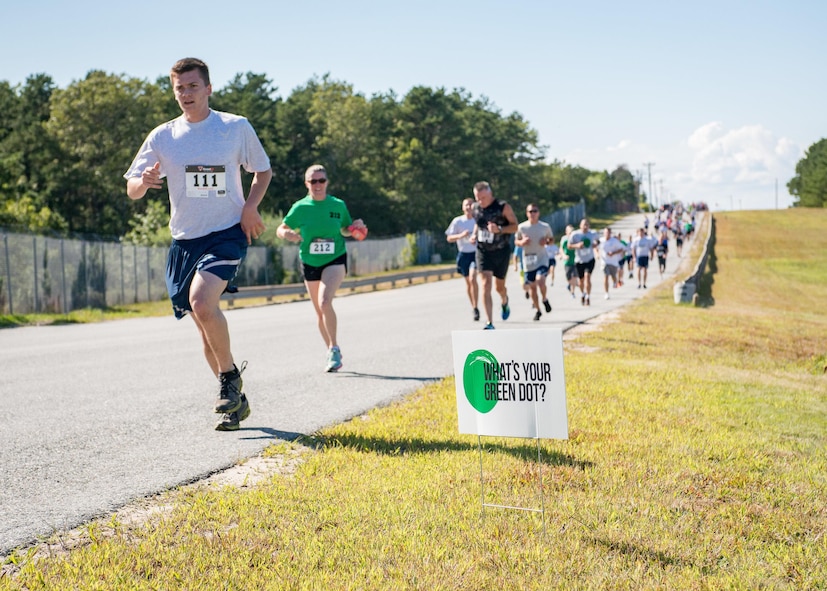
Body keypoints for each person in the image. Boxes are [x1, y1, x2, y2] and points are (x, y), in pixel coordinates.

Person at [124, 57, 272, 432]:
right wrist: (145, 180)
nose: (186, 94)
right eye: (179, 88)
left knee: (202, 303)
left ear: (208, 88)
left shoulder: (234, 128)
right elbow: (133, 190)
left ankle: (228, 382)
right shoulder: (163, 136)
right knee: (204, 327)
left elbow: (262, 170)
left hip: (225, 232)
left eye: (192, 86)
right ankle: (234, 399)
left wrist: (250, 207)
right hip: (184, 241)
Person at [277, 165, 367, 372]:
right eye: (313, 181)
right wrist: (287, 234)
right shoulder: (300, 207)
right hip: (309, 261)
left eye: (321, 181)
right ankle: (330, 350)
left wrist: (356, 226)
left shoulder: (337, 205)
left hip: (335, 259)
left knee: (325, 301)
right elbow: (281, 228)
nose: (317, 185)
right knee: (319, 312)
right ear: (306, 184)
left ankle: (334, 348)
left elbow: (345, 228)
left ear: (327, 182)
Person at [471, 181, 518, 330]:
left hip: (501, 251)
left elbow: (515, 226)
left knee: (499, 287)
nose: (480, 201)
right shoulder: (476, 208)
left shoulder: (503, 207)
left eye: (483, 198)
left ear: (490, 194)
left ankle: (504, 300)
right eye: (477, 198)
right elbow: (478, 223)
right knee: (485, 284)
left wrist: (499, 229)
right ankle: (489, 322)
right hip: (483, 251)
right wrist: (474, 235)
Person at [514, 203, 553, 321]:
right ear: (527, 213)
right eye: (530, 211)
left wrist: (546, 241)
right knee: (532, 288)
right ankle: (538, 310)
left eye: (534, 211)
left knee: (540, 281)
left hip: (542, 259)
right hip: (528, 261)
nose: (532, 214)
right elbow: (516, 242)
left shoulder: (544, 227)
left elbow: (551, 240)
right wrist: (522, 242)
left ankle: (545, 299)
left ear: (538, 213)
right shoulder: (522, 227)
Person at [445, 198, 480, 321]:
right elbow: (449, 238)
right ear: (462, 207)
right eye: (466, 205)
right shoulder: (458, 221)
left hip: (476, 253)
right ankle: (474, 306)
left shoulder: (478, 219)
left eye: (470, 205)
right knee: (468, 282)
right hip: (463, 254)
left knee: (473, 278)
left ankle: (476, 307)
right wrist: (461, 235)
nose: (468, 207)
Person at [568, 218, 600, 306]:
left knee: (587, 277)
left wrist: (595, 244)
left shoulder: (592, 233)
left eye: (587, 225)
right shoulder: (575, 235)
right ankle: (583, 294)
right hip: (579, 261)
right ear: (580, 226)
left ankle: (588, 297)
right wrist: (577, 245)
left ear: (589, 226)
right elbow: (569, 246)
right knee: (581, 281)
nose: (585, 227)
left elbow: (598, 240)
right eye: (583, 225)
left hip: (589, 260)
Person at [597, 227, 625, 299]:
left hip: (613, 262)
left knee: (613, 276)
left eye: (608, 233)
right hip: (605, 262)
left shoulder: (614, 241)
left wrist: (613, 253)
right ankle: (606, 293)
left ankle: (615, 281)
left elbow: (621, 249)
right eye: (606, 232)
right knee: (606, 276)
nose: (607, 234)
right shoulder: (601, 240)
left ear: (610, 233)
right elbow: (596, 247)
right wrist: (597, 254)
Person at [558, 224, 578, 298]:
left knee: (575, 276)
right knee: (569, 277)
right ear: (566, 233)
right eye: (569, 233)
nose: (571, 235)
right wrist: (563, 255)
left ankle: (572, 292)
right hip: (567, 261)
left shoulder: (575, 239)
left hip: (575, 260)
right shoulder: (564, 239)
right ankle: (570, 285)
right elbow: (561, 249)